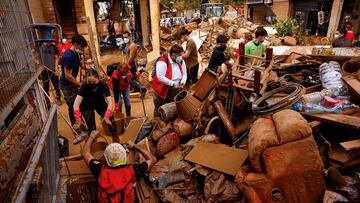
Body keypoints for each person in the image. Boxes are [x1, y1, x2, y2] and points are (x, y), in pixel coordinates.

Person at [82, 131, 156, 203]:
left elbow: (85, 153)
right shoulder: (133, 170)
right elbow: (152, 159)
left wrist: (92, 136)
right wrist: (135, 146)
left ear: (106, 159)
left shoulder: (99, 169)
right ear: (124, 156)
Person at [73, 68, 114, 143]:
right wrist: (78, 117)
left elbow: (110, 102)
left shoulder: (103, 85)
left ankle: (116, 138)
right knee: (92, 128)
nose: (92, 84)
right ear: (86, 80)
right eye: (89, 82)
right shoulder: (83, 86)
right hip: (86, 105)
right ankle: (94, 145)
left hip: (99, 103)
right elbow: (76, 104)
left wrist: (107, 115)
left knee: (111, 120)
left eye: (94, 82)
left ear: (99, 78)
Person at [60, 35, 88, 130]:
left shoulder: (77, 53)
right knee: (72, 106)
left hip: (73, 83)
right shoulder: (68, 56)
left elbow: (80, 64)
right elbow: (68, 75)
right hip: (67, 85)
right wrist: (79, 83)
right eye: (81, 47)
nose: (82, 49)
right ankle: (76, 129)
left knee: (78, 104)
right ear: (75, 45)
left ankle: (81, 124)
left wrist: (88, 67)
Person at [152, 44, 187, 117]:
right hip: (161, 89)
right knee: (159, 109)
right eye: (180, 55)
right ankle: (156, 122)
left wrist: (183, 82)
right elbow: (160, 77)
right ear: (174, 55)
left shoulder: (180, 61)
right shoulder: (162, 61)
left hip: (174, 88)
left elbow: (184, 73)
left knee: (172, 107)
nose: (181, 57)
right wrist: (173, 83)